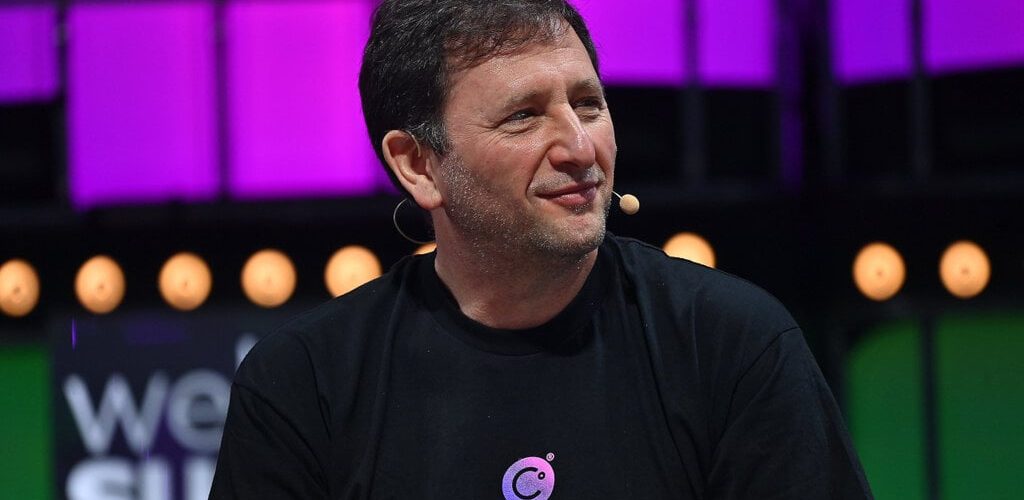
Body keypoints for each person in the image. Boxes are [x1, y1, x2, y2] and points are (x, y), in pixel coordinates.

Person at [210, 0, 873, 498]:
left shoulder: (731, 343)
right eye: (524, 116)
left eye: (588, 105)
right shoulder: (304, 385)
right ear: (417, 165)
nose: (580, 148)